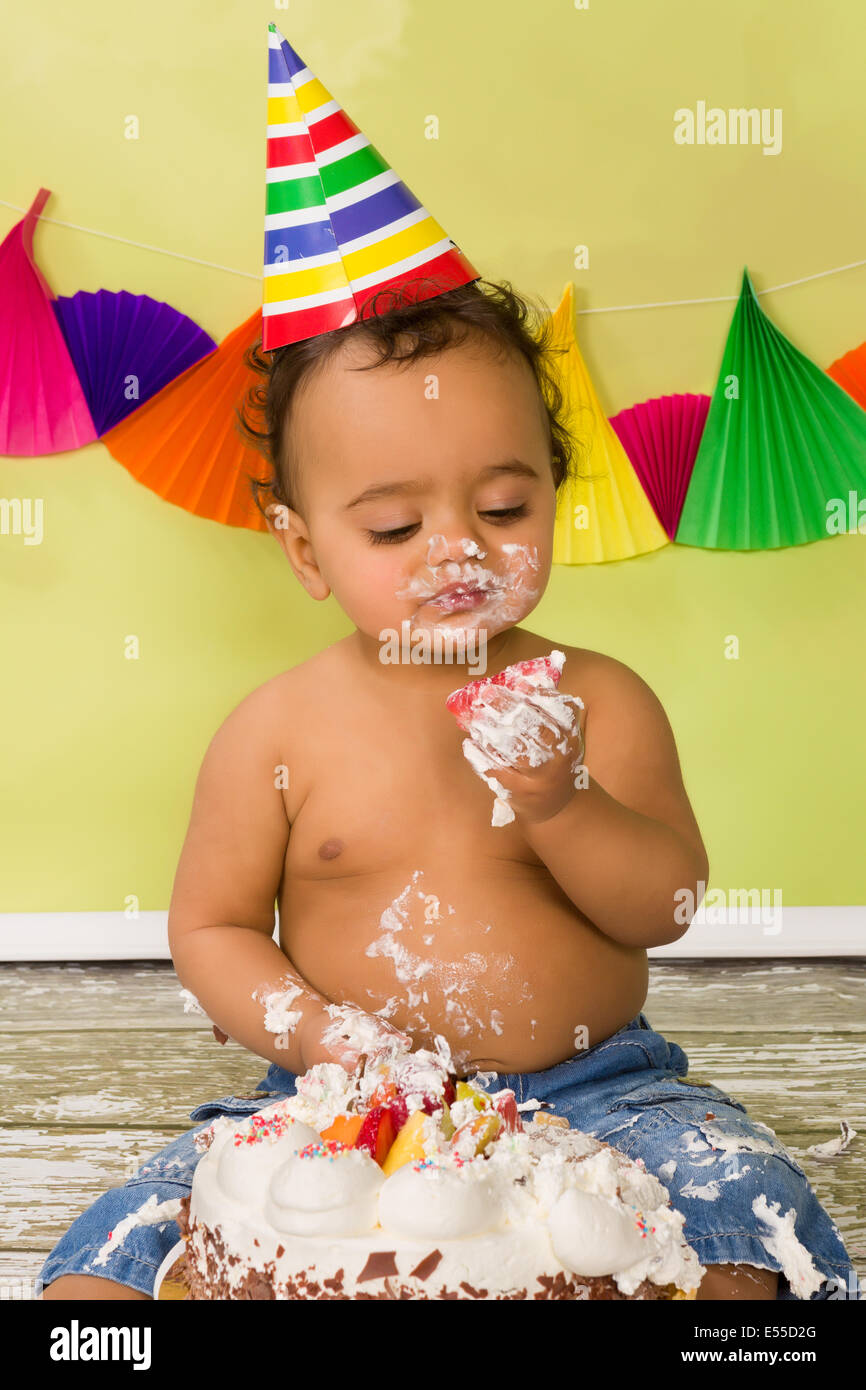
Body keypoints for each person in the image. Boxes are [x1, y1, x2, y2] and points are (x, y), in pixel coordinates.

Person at [40, 278, 858, 1301]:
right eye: (392, 526)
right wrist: (306, 1031)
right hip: (333, 1100)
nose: (458, 548)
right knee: (108, 1270)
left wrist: (565, 802)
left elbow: (667, 906)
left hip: (597, 1088)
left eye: (503, 507)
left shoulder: (594, 701)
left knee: (752, 1225)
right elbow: (212, 928)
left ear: (554, 495)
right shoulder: (274, 730)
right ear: (304, 548)